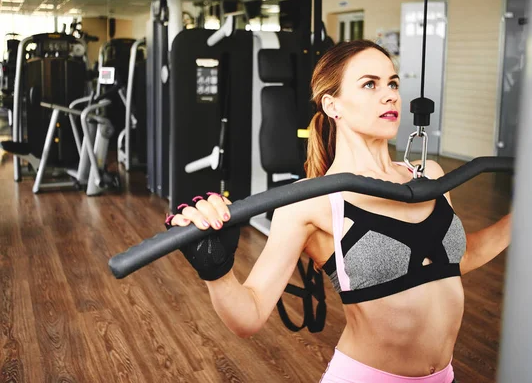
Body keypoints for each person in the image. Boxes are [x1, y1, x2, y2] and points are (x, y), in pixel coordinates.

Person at [166, 39, 512, 383]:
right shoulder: (311, 201)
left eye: (392, 83)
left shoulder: (430, 176)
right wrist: (218, 273)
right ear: (333, 105)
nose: (390, 94)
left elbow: (459, 260)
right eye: (369, 85)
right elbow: (251, 314)